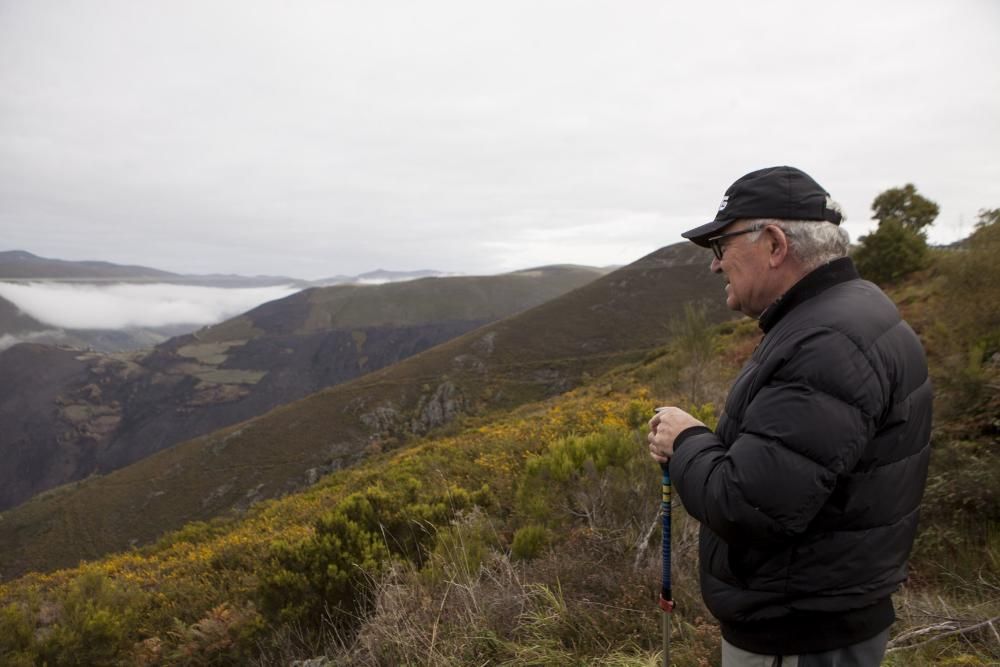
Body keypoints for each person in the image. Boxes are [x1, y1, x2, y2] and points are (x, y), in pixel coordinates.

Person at [647, 166, 932, 666]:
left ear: (775, 244)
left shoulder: (826, 342)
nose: (716, 266)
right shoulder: (848, 314)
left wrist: (686, 439)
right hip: (820, 618)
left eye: (721, 247)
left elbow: (751, 506)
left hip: (797, 635)